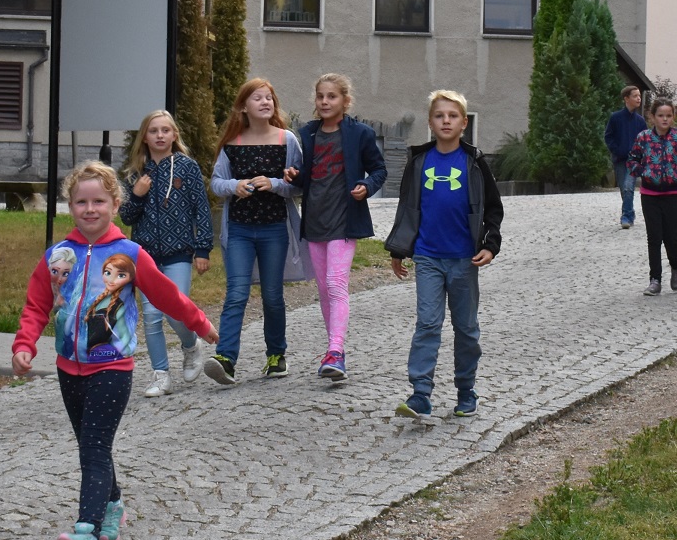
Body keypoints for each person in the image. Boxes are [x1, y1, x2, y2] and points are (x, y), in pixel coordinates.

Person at [12, 161, 217, 540]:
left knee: (93, 447)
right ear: (70, 205)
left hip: (113, 367)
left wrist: (199, 323)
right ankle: (113, 504)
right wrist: (24, 344)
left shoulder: (131, 255)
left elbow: (167, 296)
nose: (90, 209)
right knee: (93, 445)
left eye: (99, 202)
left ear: (116, 205)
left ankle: (85, 531)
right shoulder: (58, 256)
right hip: (69, 368)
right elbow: (36, 305)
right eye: (81, 202)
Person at [385, 89, 503, 420]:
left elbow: (493, 209)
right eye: (439, 116)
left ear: (464, 123)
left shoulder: (474, 162)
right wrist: (399, 248)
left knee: (466, 328)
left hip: (464, 259)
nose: (446, 121)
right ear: (430, 122)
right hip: (428, 257)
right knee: (427, 323)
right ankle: (421, 393)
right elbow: (408, 208)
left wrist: (490, 245)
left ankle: (466, 389)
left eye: (453, 116)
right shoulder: (419, 161)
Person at [206, 78, 306, 384]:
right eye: (257, 98)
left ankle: (276, 356)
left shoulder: (287, 140)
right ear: (243, 107)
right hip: (239, 231)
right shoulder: (232, 144)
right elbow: (216, 183)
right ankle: (226, 359)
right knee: (236, 293)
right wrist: (234, 186)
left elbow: (299, 185)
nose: (265, 102)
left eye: (269, 98)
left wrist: (274, 184)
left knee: (272, 296)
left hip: (275, 230)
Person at [292, 72, 388, 384]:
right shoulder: (308, 133)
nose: (324, 101)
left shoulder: (360, 133)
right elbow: (308, 177)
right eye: (320, 96)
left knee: (336, 284)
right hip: (314, 221)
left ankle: (335, 351)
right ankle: (334, 350)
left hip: (345, 221)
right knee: (323, 289)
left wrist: (367, 186)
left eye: (331, 96)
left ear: (345, 101)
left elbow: (379, 169)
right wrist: (295, 176)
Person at [119, 110, 214, 397]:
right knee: (151, 316)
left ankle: (190, 345)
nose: (160, 135)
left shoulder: (187, 167)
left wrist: (203, 248)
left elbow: (201, 210)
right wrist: (137, 194)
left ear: (174, 135)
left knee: (176, 310)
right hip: (145, 257)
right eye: (153, 131)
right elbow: (126, 216)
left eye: (165, 130)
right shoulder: (135, 173)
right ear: (144, 138)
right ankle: (161, 375)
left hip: (178, 253)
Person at [626, 97, 677, 294]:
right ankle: (655, 279)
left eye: (668, 115)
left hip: (671, 193)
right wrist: (644, 172)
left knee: (671, 236)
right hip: (650, 194)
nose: (665, 119)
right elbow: (632, 160)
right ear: (652, 117)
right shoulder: (644, 137)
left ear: (673, 117)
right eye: (661, 115)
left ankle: (676, 266)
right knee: (654, 237)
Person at [603, 85, 647, 229]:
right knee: (624, 189)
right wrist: (617, 150)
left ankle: (626, 216)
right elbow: (608, 136)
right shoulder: (615, 118)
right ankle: (630, 213)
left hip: (634, 161)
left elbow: (645, 139)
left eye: (639, 95)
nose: (638, 98)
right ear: (626, 99)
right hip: (620, 160)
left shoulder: (640, 121)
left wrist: (640, 155)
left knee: (628, 187)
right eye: (635, 96)